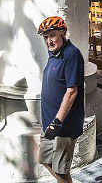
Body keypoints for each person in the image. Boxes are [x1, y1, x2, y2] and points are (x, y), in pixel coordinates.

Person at [37, 16, 84, 183]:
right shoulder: (54, 53)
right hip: (49, 122)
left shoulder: (72, 55)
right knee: (44, 159)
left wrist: (56, 123)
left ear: (63, 33)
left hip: (62, 125)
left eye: (53, 36)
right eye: (46, 37)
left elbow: (72, 92)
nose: (49, 41)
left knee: (61, 171)